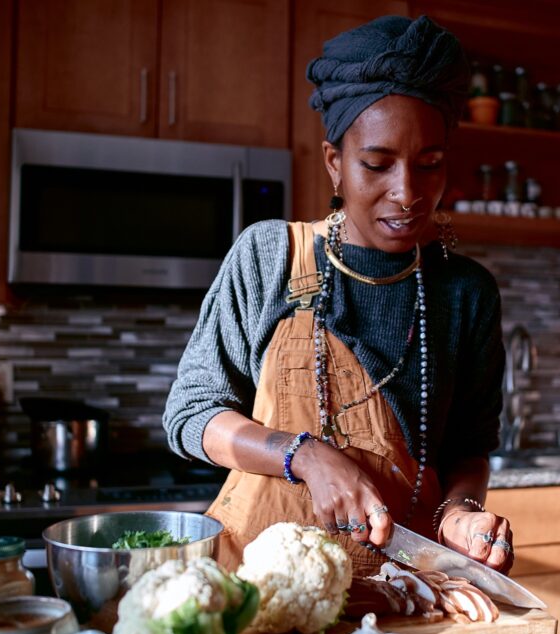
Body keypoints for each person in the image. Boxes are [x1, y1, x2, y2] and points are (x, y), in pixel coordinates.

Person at [164, 15, 513, 576]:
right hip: (262, 588)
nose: (407, 194)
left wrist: (462, 514)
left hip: (409, 591)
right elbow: (191, 414)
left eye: (430, 166)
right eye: (376, 164)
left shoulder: (466, 291)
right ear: (335, 163)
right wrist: (302, 454)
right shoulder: (269, 256)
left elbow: (467, 451)